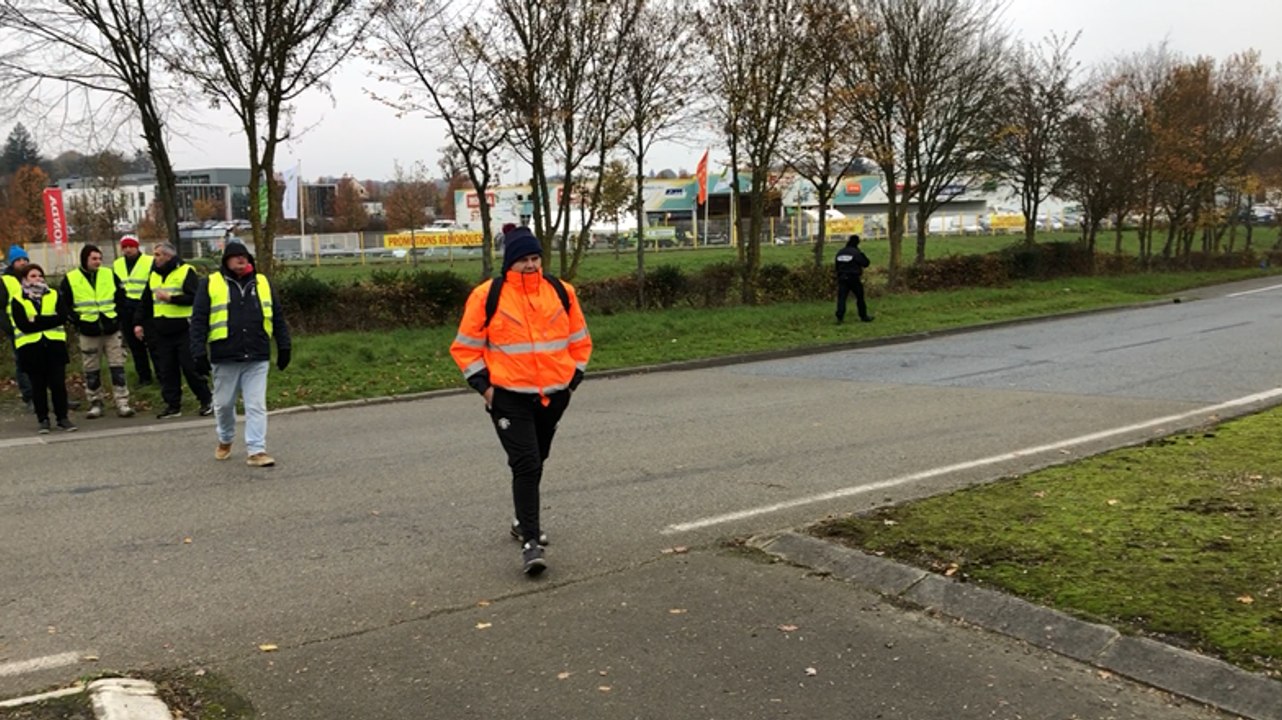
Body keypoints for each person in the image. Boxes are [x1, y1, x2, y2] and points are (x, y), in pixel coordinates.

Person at [449, 227, 592, 576]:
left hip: (554, 396)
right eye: (523, 260)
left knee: (537, 459)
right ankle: (531, 542)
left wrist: (571, 382)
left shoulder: (561, 292)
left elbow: (580, 341)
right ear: (510, 263)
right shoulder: (488, 296)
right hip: (508, 397)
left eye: (534, 258)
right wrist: (486, 389)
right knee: (526, 462)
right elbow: (465, 347)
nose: (530, 265)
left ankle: (519, 520)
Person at [189, 242, 292, 467]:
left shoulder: (262, 282)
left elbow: (277, 316)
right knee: (224, 404)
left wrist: (284, 346)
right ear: (226, 260)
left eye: (244, 256)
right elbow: (198, 321)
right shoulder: (210, 283)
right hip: (225, 355)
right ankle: (225, 439)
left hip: (257, 354)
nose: (241, 260)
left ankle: (257, 450)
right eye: (235, 256)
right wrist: (197, 352)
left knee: (255, 404)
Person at [134, 241, 212, 418]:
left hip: (183, 328)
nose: (155, 259)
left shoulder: (186, 271)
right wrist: (138, 323)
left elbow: (196, 298)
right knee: (166, 369)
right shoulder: (153, 274)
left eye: (158, 255)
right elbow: (145, 301)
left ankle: (206, 400)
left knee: (190, 368)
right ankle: (173, 405)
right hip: (161, 329)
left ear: (168, 256)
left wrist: (171, 299)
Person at [61, 244, 135, 419]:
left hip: (110, 328)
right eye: (94, 259)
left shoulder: (109, 274)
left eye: (100, 258)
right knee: (91, 369)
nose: (98, 262)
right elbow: (65, 305)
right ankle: (95, 402)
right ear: (85, 259)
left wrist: (117, 319)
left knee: (118, 367)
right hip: (88, 330)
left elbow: (121, 298)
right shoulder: (71, 279)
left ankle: (122, 402)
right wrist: (77, 322)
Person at [9, 264, 76, 433]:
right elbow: (24, 325)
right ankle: (43, 419)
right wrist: (47, 319)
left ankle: (62, 418)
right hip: (31, 348)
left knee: (58, 384)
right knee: (37, 386)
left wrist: (36, 319)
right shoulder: (17, 298)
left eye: (40, 275)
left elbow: (62, 317)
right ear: (24, 279)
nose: (38, 279)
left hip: (54, 346)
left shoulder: (53, 294)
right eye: (33, 276)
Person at [112, 235, 154, 385]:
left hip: (145, 306)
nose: (128, 250)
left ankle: (162, 375)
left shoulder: (149, 261)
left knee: (152, 343)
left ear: (137, 247)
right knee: (135, 346)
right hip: (126, 308)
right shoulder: (117, 264)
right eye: (125, 247)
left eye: (131, 246)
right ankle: (144, 377)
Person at [2, 244, 36, 411]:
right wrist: (8, 328)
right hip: (16, 329)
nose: (22, 262)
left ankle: (50, 397)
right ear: (12, 262)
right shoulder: (5, 280)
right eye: (19, 260)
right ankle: (29, 397)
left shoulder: (31, 277)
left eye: (25, 259)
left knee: (43, 362)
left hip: (35, 326)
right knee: (22, 363)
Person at [834, 234, 873, 323]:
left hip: (842, 278)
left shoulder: (840, 252)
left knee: (842, 298)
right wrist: (861, 253)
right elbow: (866, 263)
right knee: (860, 298)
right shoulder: (856, 252)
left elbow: (836, 266)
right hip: (854, 278)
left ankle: (840, 317)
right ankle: (863, 316)